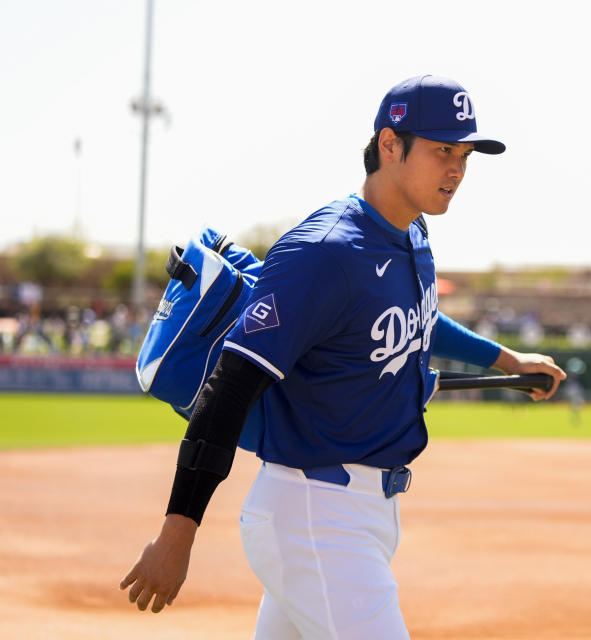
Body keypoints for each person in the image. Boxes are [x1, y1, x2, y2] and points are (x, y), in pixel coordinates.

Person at [119, 74, 566, 639]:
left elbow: (420, 317)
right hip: (316, 516)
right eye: (442, 151)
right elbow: (227, 390)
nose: (457, 169)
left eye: (465, 155)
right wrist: (177, 535)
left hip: (361, 514)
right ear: (389, 145)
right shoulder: (325, 251)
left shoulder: (413, 234)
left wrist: (506, 359)